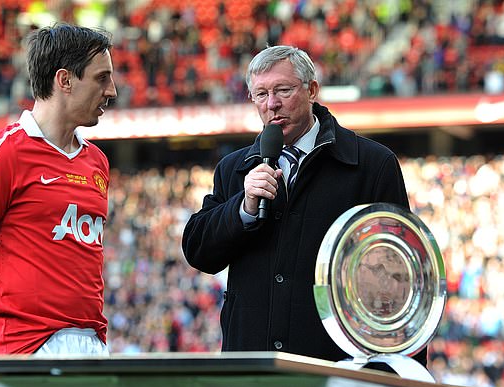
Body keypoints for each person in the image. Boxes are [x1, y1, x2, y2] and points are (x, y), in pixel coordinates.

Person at [182, 45, 427, 367]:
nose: (272, 104)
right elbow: (199, 251)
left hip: (336, 367)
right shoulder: (234, 168)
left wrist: (398, 373)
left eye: (283, 90)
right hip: (252, 363)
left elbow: (400, 275)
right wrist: (242, 207)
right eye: (260, 94)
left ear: (312, 90)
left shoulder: (372, 164)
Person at [0, 22, 117, 356]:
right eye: (101, 78)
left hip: (90, 343)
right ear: (64, 80)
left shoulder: (97, 163)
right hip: (19, 350)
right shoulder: (4, 152)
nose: (112, 91)